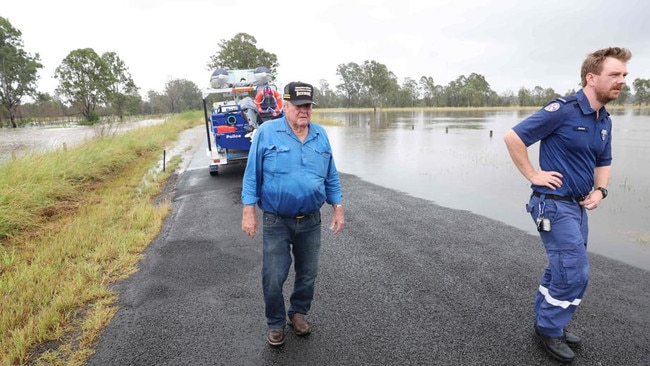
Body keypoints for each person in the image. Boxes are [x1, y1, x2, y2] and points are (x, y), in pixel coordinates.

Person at [503, 47, 631, 363]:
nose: (622, 81)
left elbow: (604, 159)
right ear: (591, 77)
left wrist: (600, 190)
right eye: (614, 74)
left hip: (576, 207)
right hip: (551, 206)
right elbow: (513, 137)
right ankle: (548, 330)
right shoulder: (563, 109)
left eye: (624, 75)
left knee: (561, 267)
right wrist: (533, 173)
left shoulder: (604, 119)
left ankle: (548, 322)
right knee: (574, 272)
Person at [241, 81, 345, 346]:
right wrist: (248, 211)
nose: (304, 111)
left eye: (308, 105)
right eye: (298, 105)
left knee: (308, 272)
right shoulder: (267, 132)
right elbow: (252, 174)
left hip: (310, 220)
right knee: (274, 275)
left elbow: (331, 174)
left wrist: (338, 207)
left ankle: (297, 313)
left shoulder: (320, 135)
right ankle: (275, 323)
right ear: (285, 106)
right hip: (277, 219)